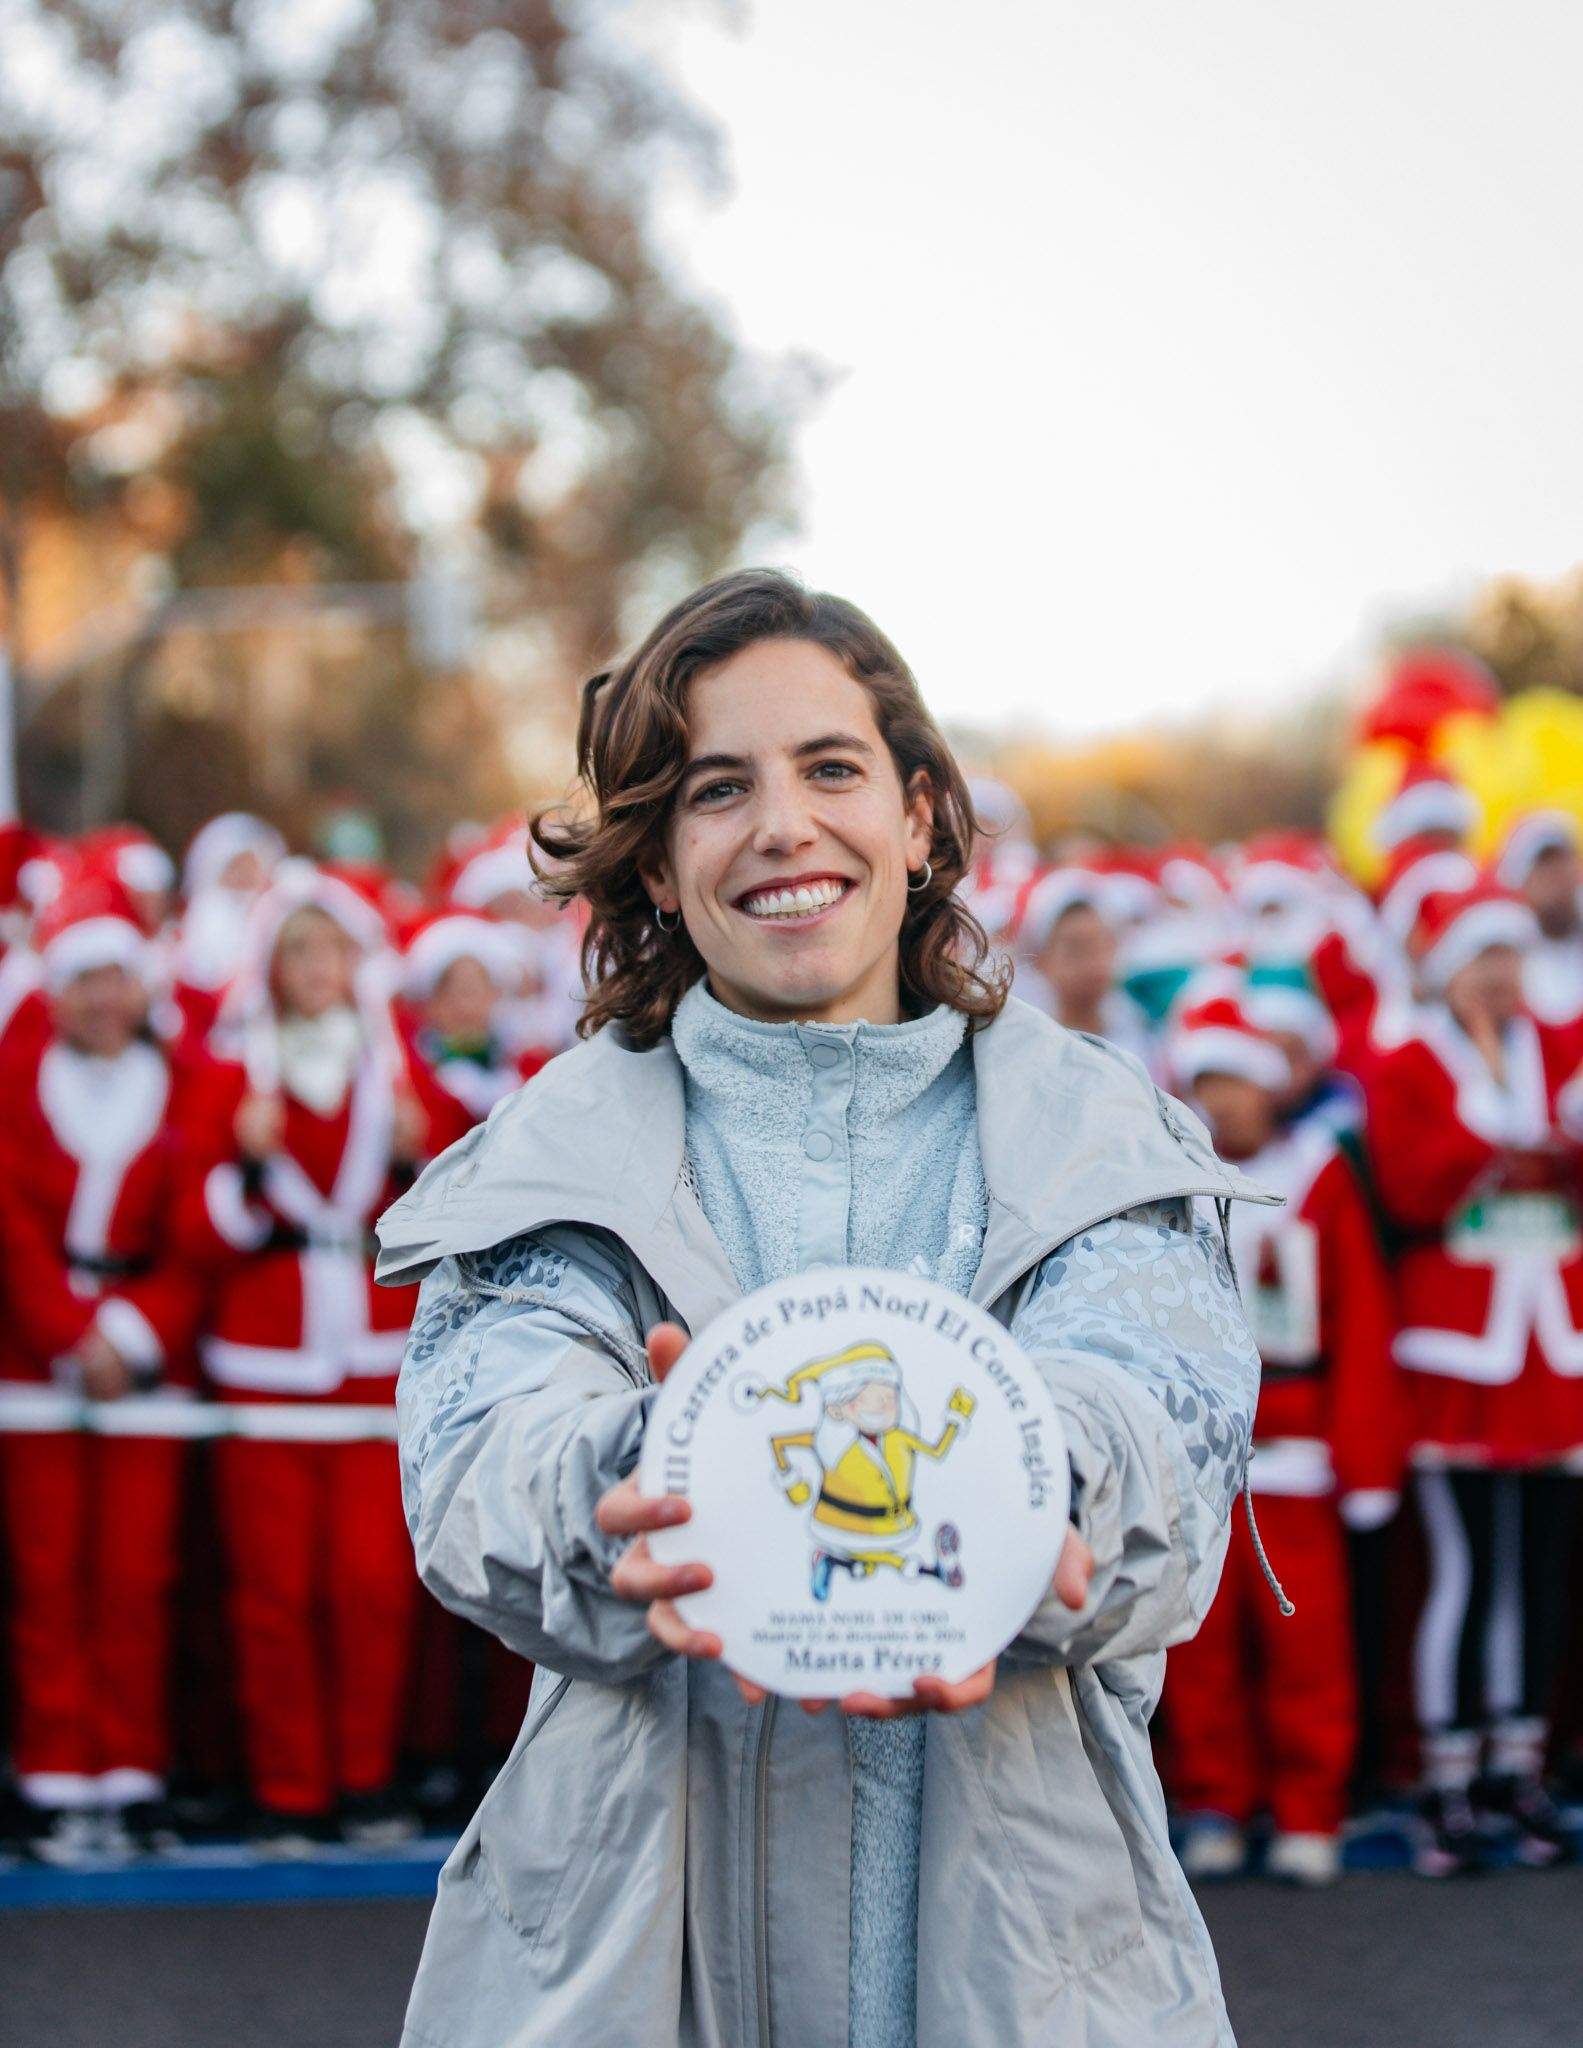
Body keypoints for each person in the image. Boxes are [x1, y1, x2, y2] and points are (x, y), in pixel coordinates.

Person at [377, 568, 1273, 2048]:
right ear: (656, 867)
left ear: (918, 816)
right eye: (716, 789)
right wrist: (643, 1480)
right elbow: (480, 1465)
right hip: (623, 1976)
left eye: (831, 769)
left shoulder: (1094, 1136)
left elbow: (1154, 1428)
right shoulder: (554, 1155)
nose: (783, 825)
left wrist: (1033, 1492)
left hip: (1032, 1979)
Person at [177, 861, 447, 1850]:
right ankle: (289, 1786)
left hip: (374, 1357)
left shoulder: (398, 1071)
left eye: (326, 947)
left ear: (353, 960)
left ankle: (364, 1779)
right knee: (273, 1590)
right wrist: (246, 1163)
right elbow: (193, 1232)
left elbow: (450, 1218)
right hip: (263, 1358)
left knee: (372, 1586)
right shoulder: (226, 1073)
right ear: (270, 964)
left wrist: (419, 1158)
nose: (311, 966)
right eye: (294, 948)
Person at [1366, 878, 1583, 1874]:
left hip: (1551, 1345)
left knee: (1541, 1566)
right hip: (1456, 1351)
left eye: (1508, 957)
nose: (1500, 976)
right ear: (1446, 968)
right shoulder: (1409, 1058)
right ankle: (1445, 1779)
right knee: (1464, 1566)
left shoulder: (1562, 1044)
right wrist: (1496, 1131)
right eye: (1479, 958)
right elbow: (1408, 1179)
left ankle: (1517, 1768)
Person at [1161, 993, 1400, 1886]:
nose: (1220, 1103)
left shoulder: (1320, 1176)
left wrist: (1363, 1457)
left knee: (1306, 1643)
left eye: (1236, 1082)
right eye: (1203, 1083)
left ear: (1270, 1091)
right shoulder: (1165, 1179)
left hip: (1298, 1444)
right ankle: (1217, 1801)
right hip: (1194, 1446)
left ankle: (1309, 1810)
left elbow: (1361, 1322)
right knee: (1200, 1643)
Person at [0, 875, 198, 1861]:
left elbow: (198, 1232)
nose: (101, 998)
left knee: (133, 1572)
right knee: (46, 1574)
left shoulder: (184, 1082)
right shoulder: (15, 1080)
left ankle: (127, 1768)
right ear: (55, 991)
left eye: (116, 976)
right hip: (37, 1359)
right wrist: (65, 1331)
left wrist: (132, 1332)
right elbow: (8, 1218)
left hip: (144, 1364)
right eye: (82, 980)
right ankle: (53, 1768)